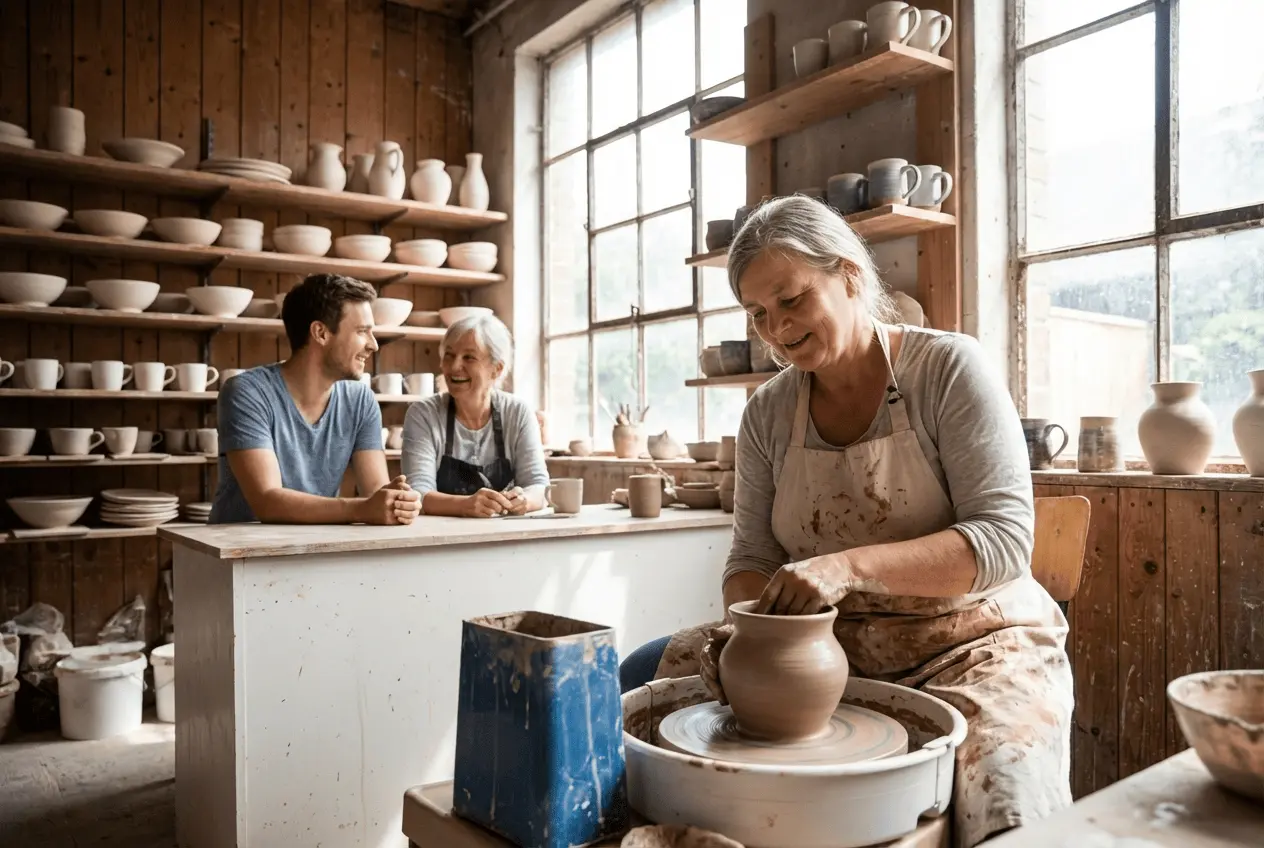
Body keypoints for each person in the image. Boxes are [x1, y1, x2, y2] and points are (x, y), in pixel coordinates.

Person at [619, 196, 1073, 848]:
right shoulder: (767, 415)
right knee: (636, 684)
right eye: (758, 314)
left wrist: (847, 566)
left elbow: (1002, 541)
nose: (776, 329)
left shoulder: (948, 369)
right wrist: (744, 630)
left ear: (850, 275)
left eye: (793, 300)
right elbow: (750, 557)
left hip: (974, 643)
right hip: (833, 644)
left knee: (1004, 792)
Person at [209, 273, 421, 525]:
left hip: (315, 547)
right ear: (320, 332)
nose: (373, 345)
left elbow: (375, 492)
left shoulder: (361, 399)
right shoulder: (246, 392)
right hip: (239, 554)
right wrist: (363, 509)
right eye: (362, 331)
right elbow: (267, 501)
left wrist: (396, 502)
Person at [401, 313, 549, 517]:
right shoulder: (423, 414)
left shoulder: (518, 412)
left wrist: (524, 501)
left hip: (504, 537)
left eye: (468, 357)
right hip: (437, 539)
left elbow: (539, 486)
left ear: (496, 369)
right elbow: (418, 493)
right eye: (449, 355)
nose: (454, 367)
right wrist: (465, 505)